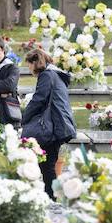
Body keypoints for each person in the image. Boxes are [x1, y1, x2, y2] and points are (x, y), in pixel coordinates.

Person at [20, 48, 76, 198]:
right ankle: (50, 197)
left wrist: (24, 117)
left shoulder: (47, 75)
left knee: (48, 166)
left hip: (52, 127)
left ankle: (51, 199)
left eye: (29, 65)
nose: (29, 68)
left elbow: (39, 99)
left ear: (35, 62)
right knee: (48, 165)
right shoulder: (55, 74)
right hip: (58, 125)